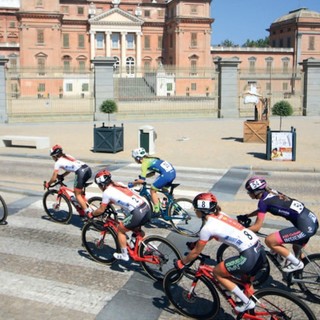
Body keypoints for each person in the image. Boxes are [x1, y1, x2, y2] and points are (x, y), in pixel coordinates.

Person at [174, 193, 266, 313]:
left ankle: (247, 302)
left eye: (195, 209)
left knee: (217, 272)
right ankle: (251, 311)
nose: (194, 211)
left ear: (201, 211)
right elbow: (217, 232)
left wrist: (182, 263)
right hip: (259, 249)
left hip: (249, 255)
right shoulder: (221, 215)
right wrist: (197, 242)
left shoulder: (207, 228)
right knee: (246, 282)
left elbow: (196, 253)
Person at [240, 176, 319, 273]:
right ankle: (298, 275)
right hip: (310, 220)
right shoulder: (271, 192)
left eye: (249, 192)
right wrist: (248, 215)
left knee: (270, 240)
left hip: (305, 227)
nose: (248, 194)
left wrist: (240, 230)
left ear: (256, 192)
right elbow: (262, 210)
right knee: (296, 248)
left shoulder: (263, 202)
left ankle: (297, 264)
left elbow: (257, 227)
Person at [87, 169, 151, 261]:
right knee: (136, 230)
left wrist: (91, 214)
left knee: (120, 230)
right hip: (146, 208)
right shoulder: (119, 184)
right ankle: (150, 248)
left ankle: (124, 255)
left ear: (101, 184)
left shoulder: (106, 193)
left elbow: (101, 210)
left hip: (138, 213)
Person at [44, 144, 92, 216]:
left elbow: (54, 178)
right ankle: (82, 206)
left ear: (55, 156)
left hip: (80, 172)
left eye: (52, 157)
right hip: (87, 169)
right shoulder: (67, 155)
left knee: (77, 194)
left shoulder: (58, 163)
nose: (52, 158)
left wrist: (48, 184)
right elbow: (70, 168)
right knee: (79, 191)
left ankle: (88, 214)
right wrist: (62, 175)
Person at [128, 147, 176, 214]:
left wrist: (133, 183)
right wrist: (143, 176)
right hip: (172, 172)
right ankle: (174, 205)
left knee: (152, 190)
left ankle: (157, 210)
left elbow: (142, 181)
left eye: (134, 158)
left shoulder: (144, 164)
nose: (135, 160)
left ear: (138, 158)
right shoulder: (151, 159)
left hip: (166, 175)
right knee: (164, 189)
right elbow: (153, 173)